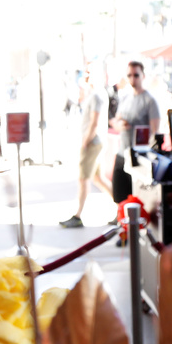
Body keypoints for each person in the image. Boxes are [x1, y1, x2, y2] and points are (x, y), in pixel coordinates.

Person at [60, 70, 112, 228]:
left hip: (92, 142)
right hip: (95, 141)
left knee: (83, 179)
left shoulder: (97, 95)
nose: (86, 78)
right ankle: (121, 206)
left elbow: (94, 122)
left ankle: (78, 216)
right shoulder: (97, 94)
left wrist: (85, 141)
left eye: (90, 74)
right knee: (98, 178)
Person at [110, 61, 162, 207]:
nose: (133, 78)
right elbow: (116, 120)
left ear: (143, 76)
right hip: (123, 152)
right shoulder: (125, 97)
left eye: (136, 75)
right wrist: (120, 125)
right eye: (129, 75)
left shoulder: (150, 101)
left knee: (138, 199)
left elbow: (155, 132)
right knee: (120, 196)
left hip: (139, 157)